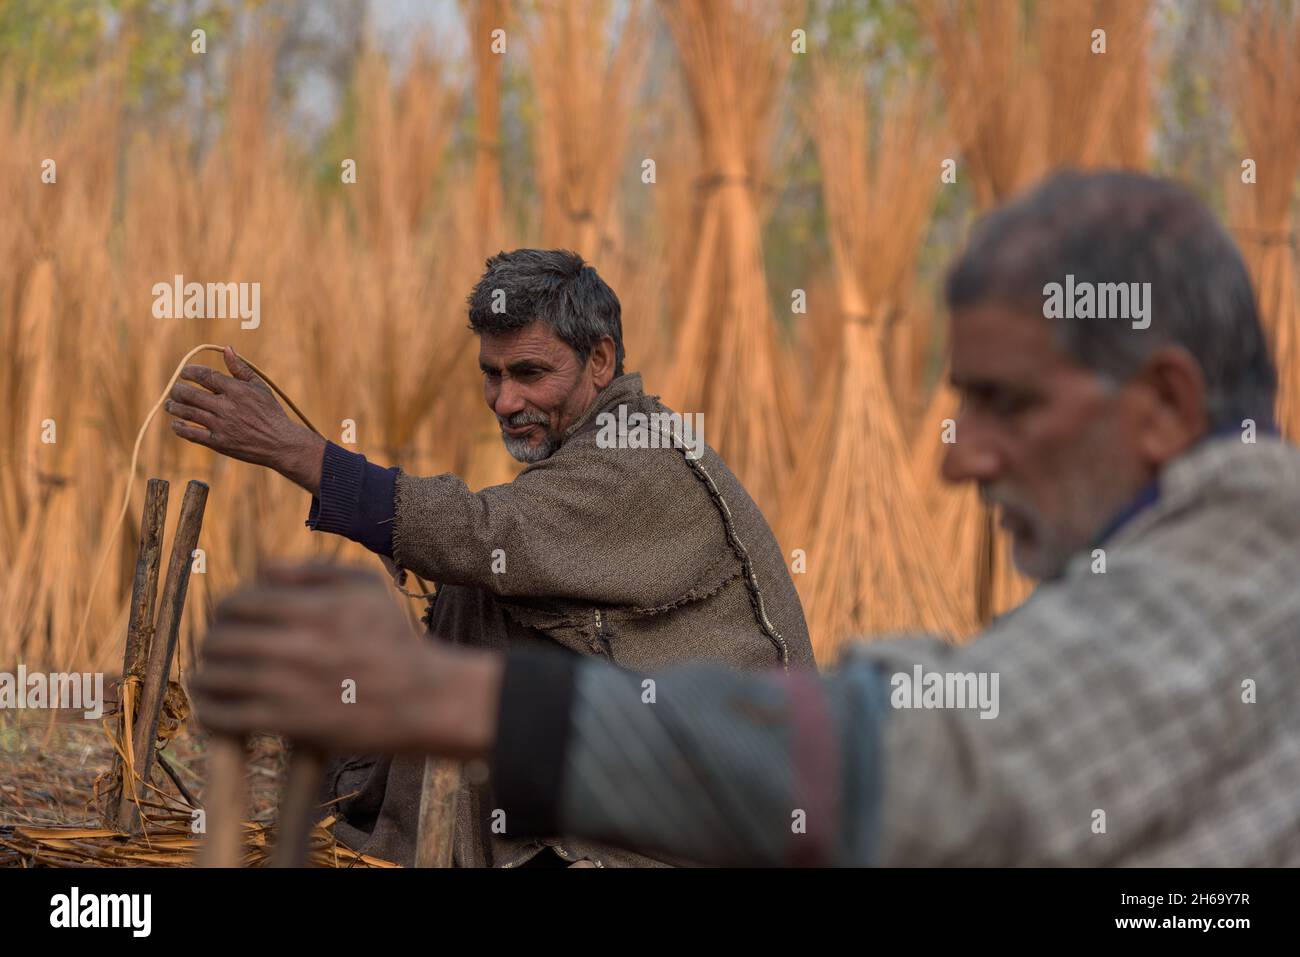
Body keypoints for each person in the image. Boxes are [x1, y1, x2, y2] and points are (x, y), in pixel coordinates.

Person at [194, 171, 1300, 865]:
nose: (958, 454)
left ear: (1163, 407)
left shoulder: (1237, 585)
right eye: (491, 377)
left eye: (1007, 404)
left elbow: (921, 767)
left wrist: (445, 694)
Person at [169, 248, 813, 867]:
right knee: (473, 593)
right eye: (492, 374)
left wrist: (297, 452)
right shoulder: (609, 444)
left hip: (714, 818)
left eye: (530, 373)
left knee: (478, 580)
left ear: (600, 360)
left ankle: (415, 842)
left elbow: (484, 534)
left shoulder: (639, 462)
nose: (505, 402)